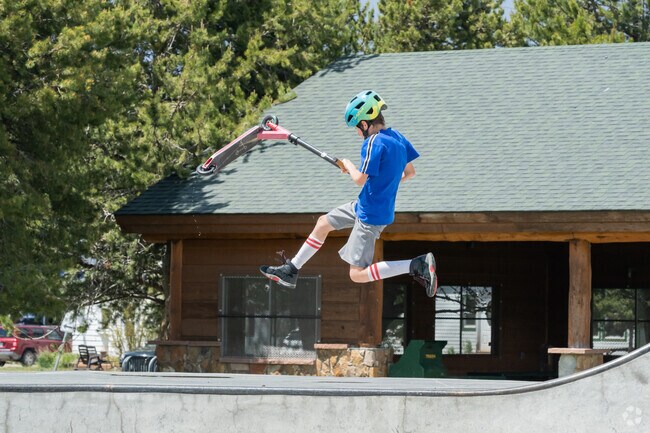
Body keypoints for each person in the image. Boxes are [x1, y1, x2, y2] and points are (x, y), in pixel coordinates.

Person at [260, 90, 437, 297]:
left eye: (356, 128)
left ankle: (416, 265)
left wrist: (349, 165)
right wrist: (382, 182)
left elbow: (359, 179)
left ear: (364, 124)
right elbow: (410, 172)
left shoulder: (373, 142)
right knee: (323, 223)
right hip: (367, 205)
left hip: (369, 215)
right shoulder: (397, 137)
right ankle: (291, 271)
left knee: (357, 274)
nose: (357, 133)